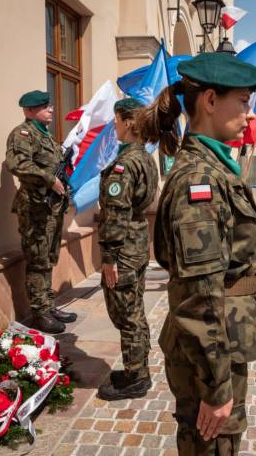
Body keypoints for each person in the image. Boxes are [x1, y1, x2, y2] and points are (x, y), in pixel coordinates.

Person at [139, 53, 256, 455]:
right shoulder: (201, 180)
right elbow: (200, 296)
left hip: (222, 340)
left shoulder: (213, 167)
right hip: (213, 351)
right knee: (212, 445)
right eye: (244, 101)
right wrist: (215, 387)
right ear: (210, 100)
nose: (249, 114)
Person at [96, 97, 159, 401]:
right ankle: (138, 368)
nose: (114, 124)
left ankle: (136, 376)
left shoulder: (126, 164)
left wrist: (109, 258)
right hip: (137, 243)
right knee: (134, 308)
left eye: (117, 119)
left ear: (129, 122)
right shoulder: (146, 158)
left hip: (123, 249)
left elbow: (116, 213)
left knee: (126, 313)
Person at [6, 90, 76, 334]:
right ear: (29, 110)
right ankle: (40, 314)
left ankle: (48, 305)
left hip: (50, 208)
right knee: (37, 260)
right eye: (44, 106)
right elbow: (18, 164)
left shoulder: (47, 136)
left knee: (48, 258)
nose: (51, 109)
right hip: (35, 207)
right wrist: (49, 180)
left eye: (49, 105)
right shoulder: (23, 134)